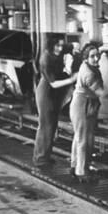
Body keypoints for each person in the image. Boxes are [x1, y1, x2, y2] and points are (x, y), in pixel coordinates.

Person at [33, 36, 77, 167]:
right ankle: (40, 158)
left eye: (61, 46)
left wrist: (75, 48)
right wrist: (72, 79)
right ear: (51, 45)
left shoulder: (58, 52)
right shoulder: (45, 58)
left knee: (52, 125)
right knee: (46, 125)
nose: (60, 49)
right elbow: (53, 83)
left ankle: (45, 156)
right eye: (57, 46)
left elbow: (71, 47)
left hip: (54, 93)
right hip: (46, 91)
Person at [69, 43, 107, 182]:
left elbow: (96, 53)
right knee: (85, 140)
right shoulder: (89, 73)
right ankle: (82, 173)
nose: (96, 58)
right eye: (93, 56)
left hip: (81, 103)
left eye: (98, 55)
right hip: (83, 105)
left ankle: (74, 166)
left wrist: (105, 50)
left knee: (79, 137)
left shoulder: (86, 65)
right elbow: (102, 93)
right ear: (86, 58)